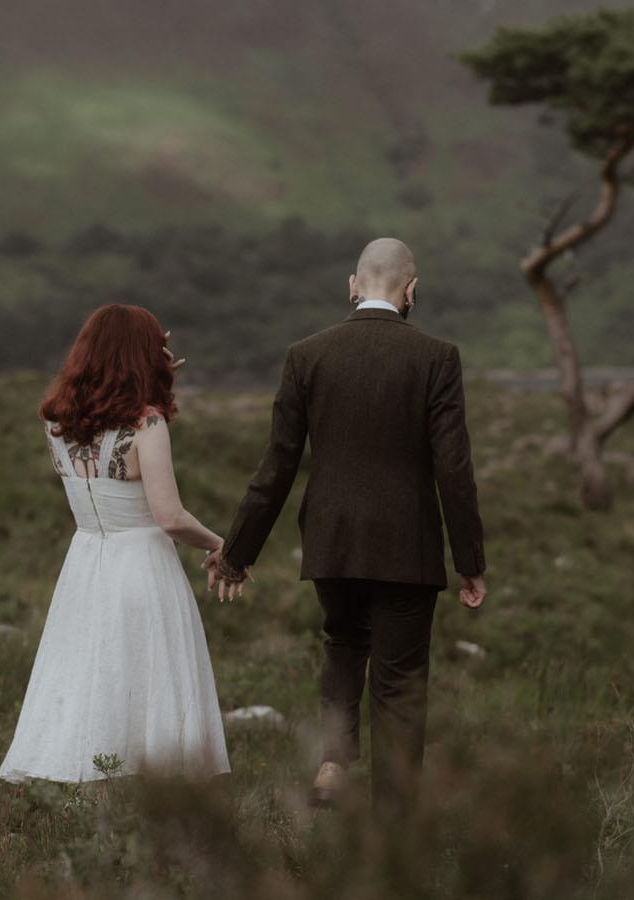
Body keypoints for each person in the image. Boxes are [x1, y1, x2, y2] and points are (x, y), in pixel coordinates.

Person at [206, 237, 488, 819]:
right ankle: (394, 815)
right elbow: (452, 467)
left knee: (343, 642)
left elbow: (278, 464)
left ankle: (334, 760)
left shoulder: (307, 355)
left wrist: (237, 551)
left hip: (331, 539)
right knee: (400, 677)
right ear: (413, 290)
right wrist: (470, 561)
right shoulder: (438, 357)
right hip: (406, 546)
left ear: (353, 285)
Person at [0, 304, 230, 784]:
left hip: (86, 561)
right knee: (147, 681)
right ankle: (153, 796)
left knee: (91, 674)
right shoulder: (146, 423)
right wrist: (222, 545)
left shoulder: (56, 422)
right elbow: (170, 517)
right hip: (142, 564)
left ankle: (90, 787)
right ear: (146, 357)